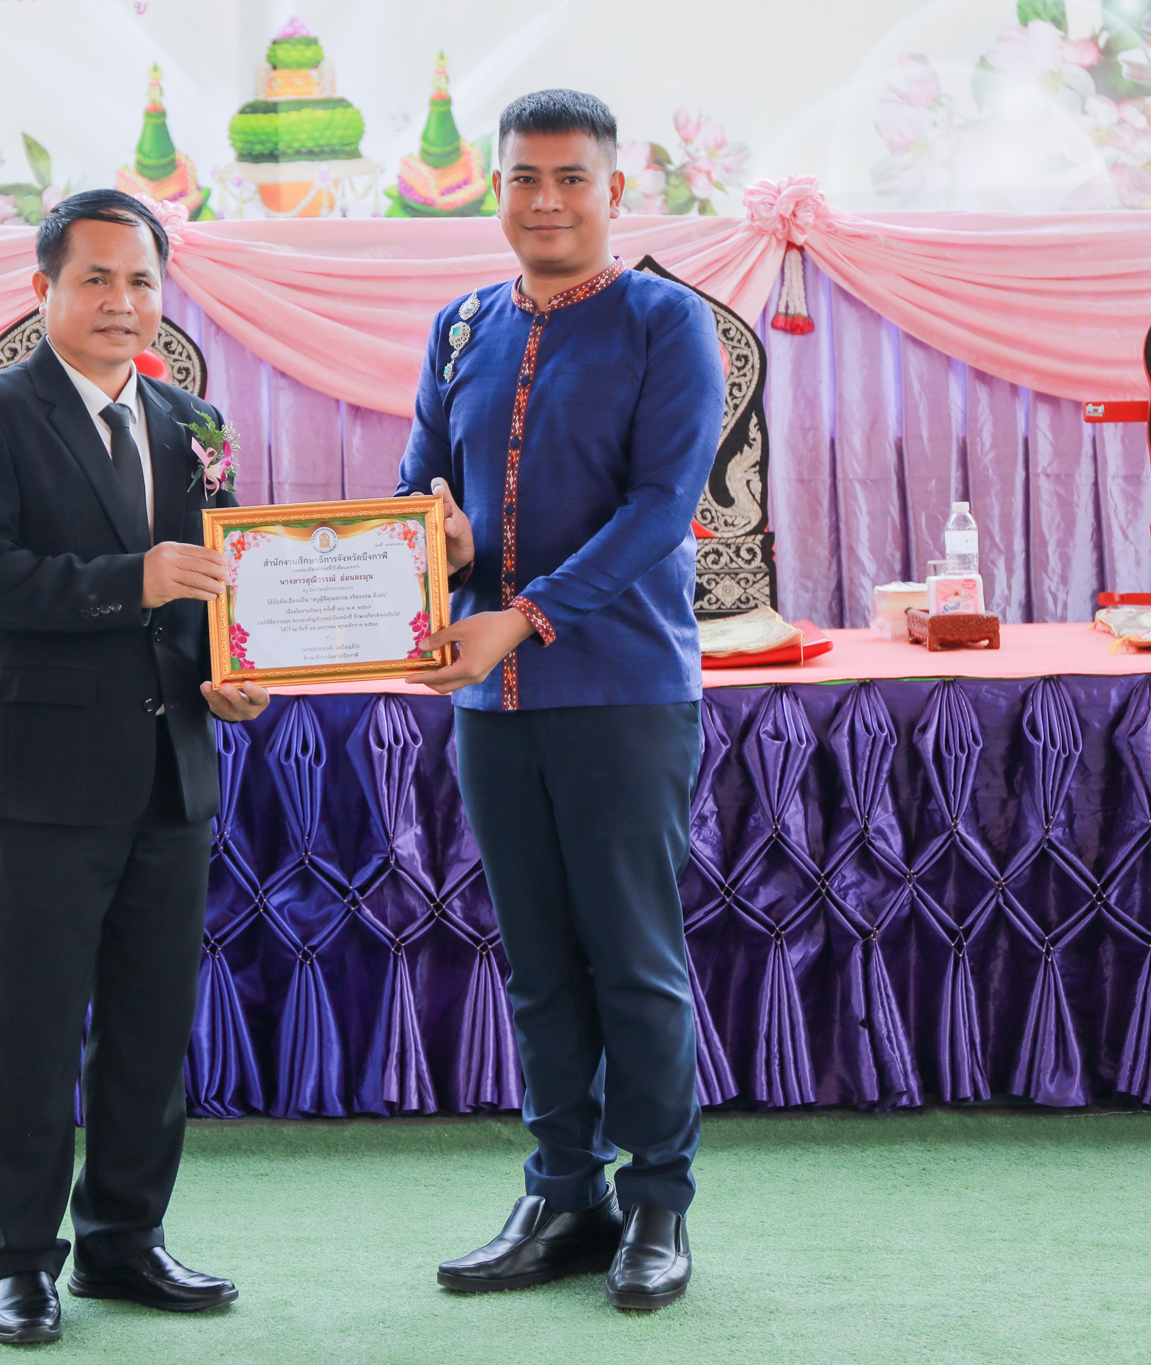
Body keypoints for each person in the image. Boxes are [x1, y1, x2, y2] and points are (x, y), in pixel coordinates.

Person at [0, 189, 269, 1346]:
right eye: (96, 279)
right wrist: (131, 578)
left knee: (150, 1024)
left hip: (175, 766)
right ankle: (20, 1261)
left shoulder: (196, 423)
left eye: (141, 281)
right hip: (50, 774)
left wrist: (237, 673)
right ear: (43, 291)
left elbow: (221, 584)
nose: (123, 302)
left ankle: (124, 1241)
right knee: (34, 1028)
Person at [398, 89, 724, 1311]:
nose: (543, 201)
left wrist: (521, 614)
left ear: (612, 190)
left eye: (568, 179)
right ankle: (563, 1197)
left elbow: (658, 510)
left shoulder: (664, 322)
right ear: (494, 189)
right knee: (535, 964)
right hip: (489, 705)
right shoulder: (458, 328)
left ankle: (657, 1205)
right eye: (522, 179)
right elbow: (418, 492)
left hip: (620, 690)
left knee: (631, 959)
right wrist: (435, 542)